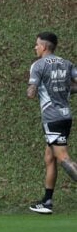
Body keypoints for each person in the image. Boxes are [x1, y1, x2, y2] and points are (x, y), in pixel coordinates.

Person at [27, 32, 77, 214]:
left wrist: (32, 90)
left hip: (52, 117)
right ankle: (47, 201)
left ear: (44, 47)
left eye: (37, 45)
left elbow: (31, 92)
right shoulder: (67, 63)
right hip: (65, 116)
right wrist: (64, 89)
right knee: (50, 157)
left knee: (63, 158)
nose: (35, 47)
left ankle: (47, 201)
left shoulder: (38, 65)